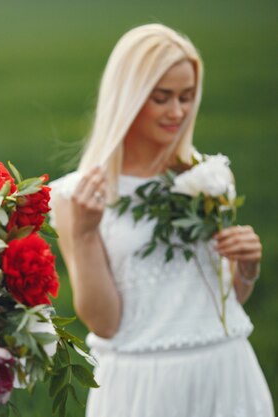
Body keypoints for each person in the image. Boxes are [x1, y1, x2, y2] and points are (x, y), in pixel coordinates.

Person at [50, 24, 274, 417]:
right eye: (162, 98)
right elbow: (105, 323)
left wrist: (247, 267)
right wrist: (85, 233)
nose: (178, 112)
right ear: (129, 97)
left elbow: (221, 302)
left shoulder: (208, 177)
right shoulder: (76, 196)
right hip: (140, 384)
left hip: (227, 370)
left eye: (187, 97)